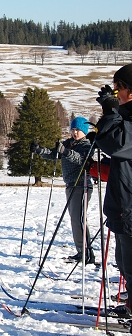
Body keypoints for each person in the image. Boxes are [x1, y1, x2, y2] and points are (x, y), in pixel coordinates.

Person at [95, 63, 132, 318]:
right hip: (124, 203)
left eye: (119, 88)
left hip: (129, 205)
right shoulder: (127, 116)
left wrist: (111, 112)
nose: (116, 93)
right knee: (126, 264)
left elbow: (115, 142)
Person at [30, 116, 94, 264]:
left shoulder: (87, 145)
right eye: (73, 129)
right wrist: (39, 150)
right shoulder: (68, 143)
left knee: (79, 220)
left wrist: (65, 152)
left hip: (82, 185)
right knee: (74, 220)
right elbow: (54, 154)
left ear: (84, 131)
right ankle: (81, 251)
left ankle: (87, 253)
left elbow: (81, 159)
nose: (75, 132)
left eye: (78, 130)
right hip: (70, 185)